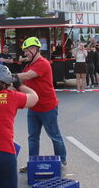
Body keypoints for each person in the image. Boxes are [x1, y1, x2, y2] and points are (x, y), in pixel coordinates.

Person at [16, 37, 67, 171]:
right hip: (33, 107)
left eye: (26, 51)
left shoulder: (42, 63)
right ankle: (32, 163)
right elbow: (21, 83)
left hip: (47, 107)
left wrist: (10, 76)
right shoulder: (29, 65)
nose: (25, 54)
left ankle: (61, 160)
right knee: (33, 137)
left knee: (54, 135)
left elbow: (27, 76)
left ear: (34, 49)